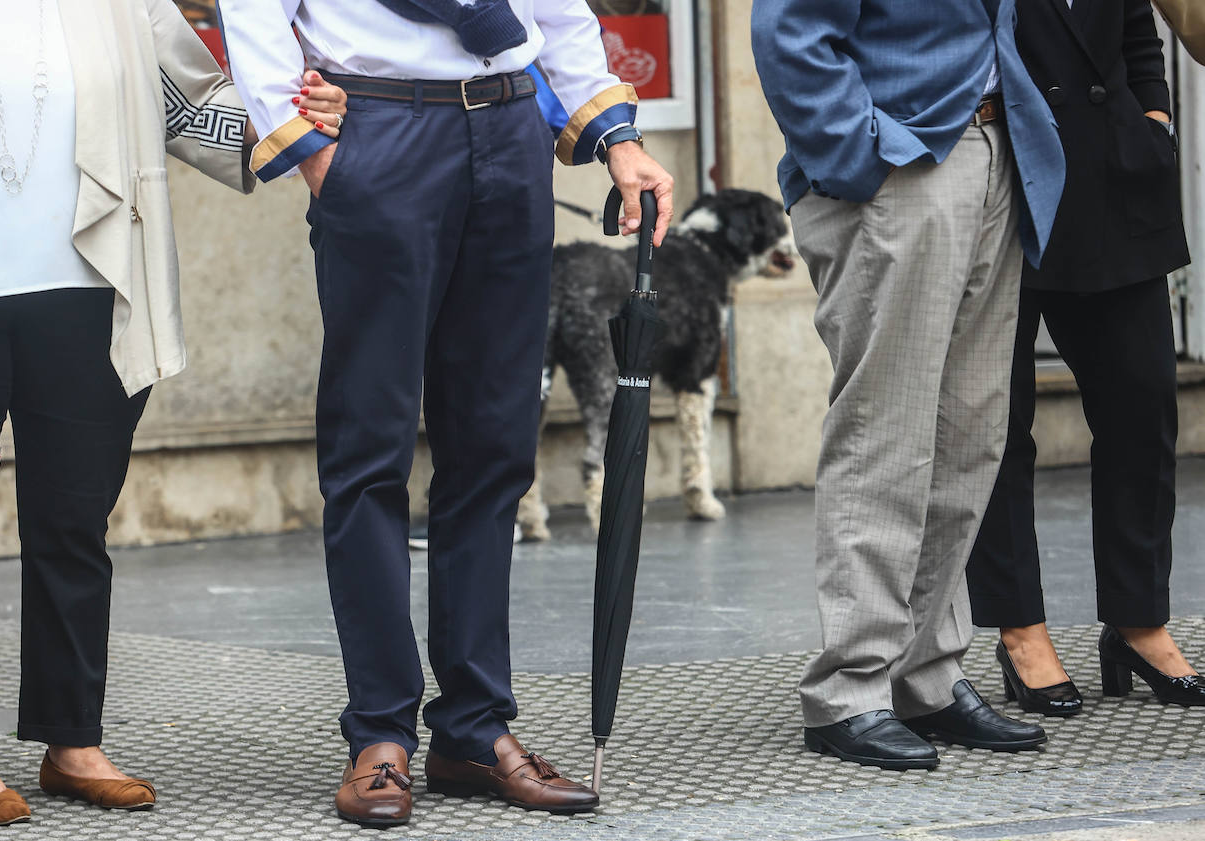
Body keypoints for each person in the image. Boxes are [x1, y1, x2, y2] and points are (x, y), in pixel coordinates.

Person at [0, 0, 345, 825]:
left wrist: (298, 121)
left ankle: (72, 738)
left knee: (74, 525)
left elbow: (196, 105)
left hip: (91, 295)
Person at [217, 0, 674, 826]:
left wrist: (620, 140)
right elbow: (250, 14)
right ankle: (380, 733)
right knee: (370, 450)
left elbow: (555, 11)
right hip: (380, 130)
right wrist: (318, 155)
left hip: (508, 129)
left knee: (496, 445)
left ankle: (472, 726)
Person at [751, 0, 1066, 770]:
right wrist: (862, 153)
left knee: (970, 435)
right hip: (901, 164)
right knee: (883, 433)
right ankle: (850, 689)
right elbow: (788, 33)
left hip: (997, 149)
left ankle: (924, 672)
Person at [968, 0, 1201, 717]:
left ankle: (1138, 621)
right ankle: (1021, 629)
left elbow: (1139, 31)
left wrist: (1155, 121)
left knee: (1142, 404)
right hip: (1007, 186)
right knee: (999, 425)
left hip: (1116, 179)